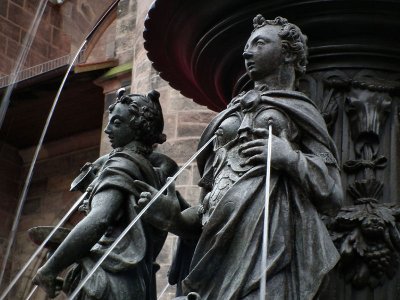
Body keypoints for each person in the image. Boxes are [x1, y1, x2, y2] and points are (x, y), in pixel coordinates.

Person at [135, 15, 343, 299]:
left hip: (270, 243)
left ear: (288, 54)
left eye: (259, 43)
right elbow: (211, 202)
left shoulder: (300, 110)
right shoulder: (231, 112)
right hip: (219, 252)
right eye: (247, 45)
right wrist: (174, 219)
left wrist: (289, 157)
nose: (247, 52)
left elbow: (332, 192)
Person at [33, 89, 176, 300]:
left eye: (117, 123)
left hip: (111, 278)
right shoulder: (151, 172)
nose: (108, 130)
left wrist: (50, 268)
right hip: (135, 279)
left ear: (137, 129)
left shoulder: (121, 165)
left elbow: (99, 219)